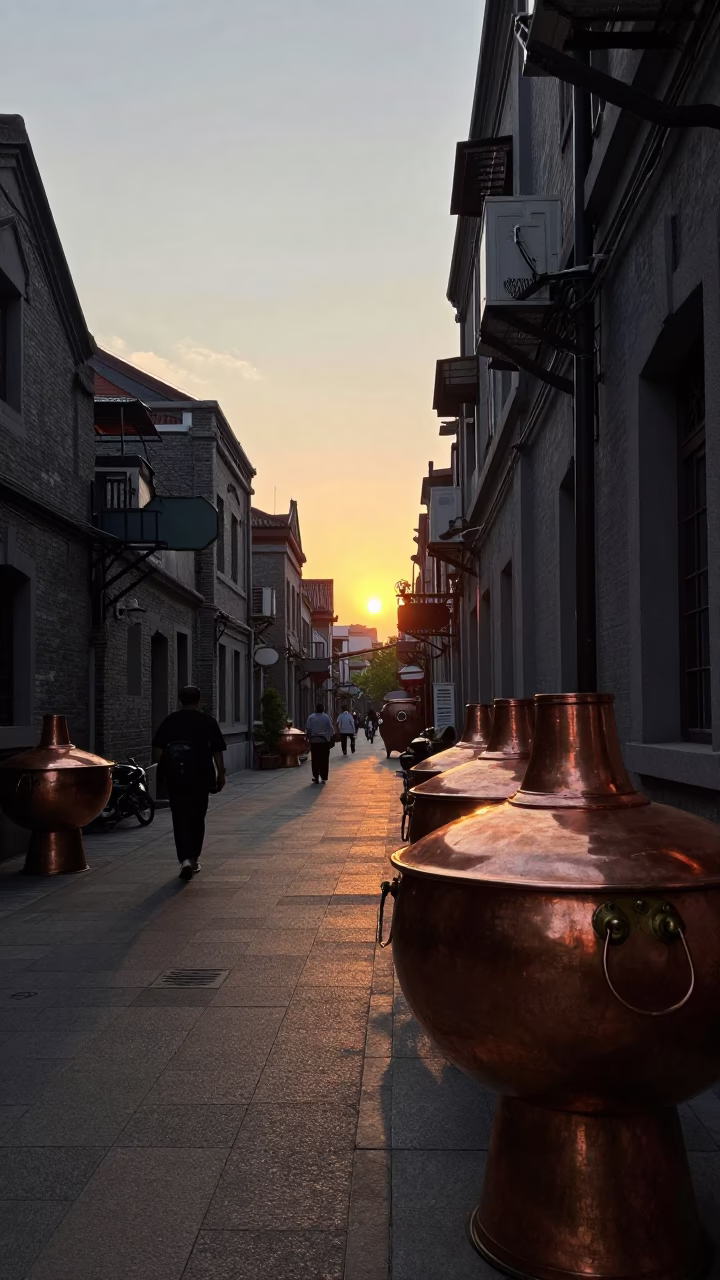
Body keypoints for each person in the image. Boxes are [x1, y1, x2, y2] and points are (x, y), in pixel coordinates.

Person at [153, 685, 227, 880]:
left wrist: (162, 772)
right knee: (197, 817)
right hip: (201, 776)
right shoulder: (207, 721)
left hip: (177, 777)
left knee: (179, 817)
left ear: (180, 700)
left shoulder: (171, 720)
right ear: (198, 700)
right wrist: (221, 774)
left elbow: (158, 749)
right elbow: (217, 750)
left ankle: (184, 859)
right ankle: (193, 858)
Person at [305, 701, 335, 783]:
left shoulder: (311, 717)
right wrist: (330, 738)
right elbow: (331, 730)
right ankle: (324, 776)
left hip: (314, 742)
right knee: (324, 760)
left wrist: (308, 739)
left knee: (315, 760)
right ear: (323, 709)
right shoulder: (326, 717)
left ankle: (316, 776)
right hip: (324, 742)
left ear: (316, 709)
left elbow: (308, 729)